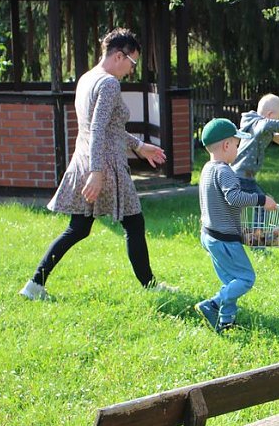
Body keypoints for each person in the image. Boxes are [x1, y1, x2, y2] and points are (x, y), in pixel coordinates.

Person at [19, 28, 172, 300]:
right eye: (132, 62)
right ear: (119, 56)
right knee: (133, 223)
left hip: (86, 161)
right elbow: (98, 130)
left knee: (78, 228)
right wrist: (97, 172)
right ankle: (150, 286)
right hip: (105, 166)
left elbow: (108, 128)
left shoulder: (87, 78)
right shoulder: (109, 83)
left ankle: (34, 285)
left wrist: (139, 146)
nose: (132, 70)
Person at [195, 118, 277, 333]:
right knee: (246, 278)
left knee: (231, 280)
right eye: (236, 144)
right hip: (224, 240)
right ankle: (212, 304)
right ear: (226, 145)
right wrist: (261, 200)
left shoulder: (207, 169)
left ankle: (226, 321)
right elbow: (234, 198)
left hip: (210, 235)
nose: (238, 149)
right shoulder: (225, 171)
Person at [234, 93, 279, 197]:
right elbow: (265, 125)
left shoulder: (255, 125)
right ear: (270, 115)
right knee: (263, 202)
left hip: (244, 176)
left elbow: (258, 134)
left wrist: (273, 136)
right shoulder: (258, 123)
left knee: (259, 201)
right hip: (241, 177)